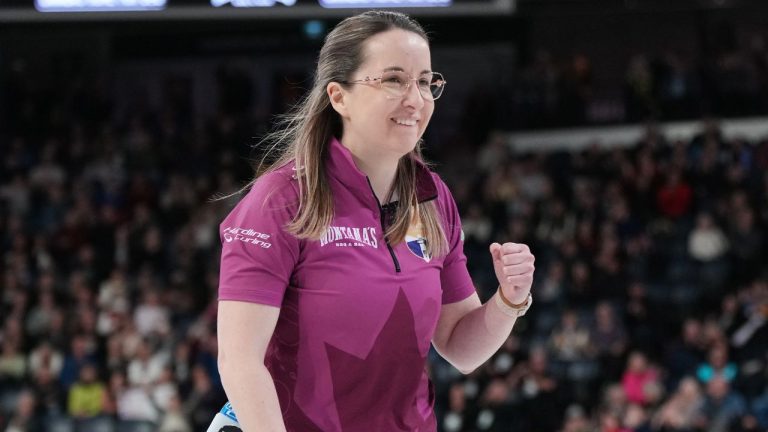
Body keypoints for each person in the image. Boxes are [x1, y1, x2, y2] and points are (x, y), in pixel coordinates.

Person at [212, 10, 535, 432]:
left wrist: (509, 301)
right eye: (394, 80)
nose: (416, 99)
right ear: (338, 96)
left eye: (425, 81)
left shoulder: (433, 199)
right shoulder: (281, 199)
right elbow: (239, 361)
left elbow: (460, 347)